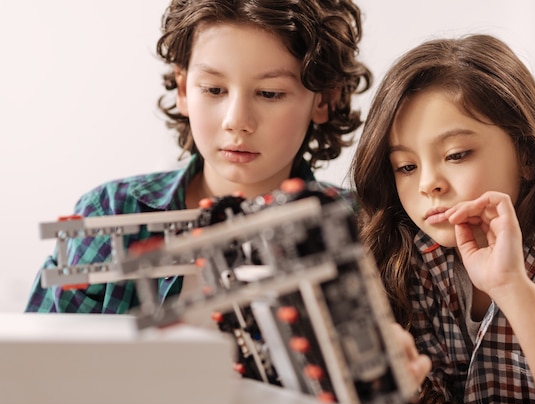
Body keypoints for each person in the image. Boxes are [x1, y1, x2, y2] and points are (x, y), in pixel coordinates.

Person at [25, 0, 372, 314]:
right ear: (183, 88)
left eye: (270, 93)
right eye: (214, 89)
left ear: (324, 100)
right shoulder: (108, 213)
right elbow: (34, 372)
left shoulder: (368, 227)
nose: (236, 120)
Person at [351, 34, 535, 404]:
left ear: (527, 154)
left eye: (456, 155)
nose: (429, 183)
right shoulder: (403, 262)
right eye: (406, 167)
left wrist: (512, 288)